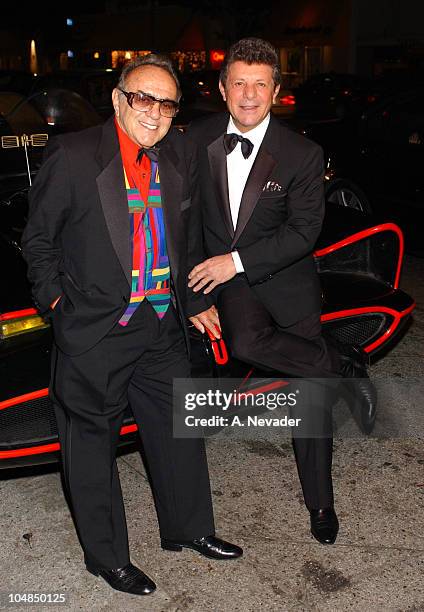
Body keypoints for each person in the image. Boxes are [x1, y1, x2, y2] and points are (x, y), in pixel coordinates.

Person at [22, 54, 242, 597]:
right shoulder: (73, 156)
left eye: (166, 103)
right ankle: (107, 557)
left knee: (176, 431)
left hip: (162, 323)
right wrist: (58, 307)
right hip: (94, 329)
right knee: (91, 447)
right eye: (144, 98)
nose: (155, 112)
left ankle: (191, 528)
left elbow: (184, 240)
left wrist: (192, 302)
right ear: (119, 99)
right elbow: (39, 243)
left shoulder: (174, 158)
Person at [187, 38, 376, 546]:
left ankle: (320, 502)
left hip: (282, 279)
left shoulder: (303, 153)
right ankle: (339, 361)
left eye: (260, 85)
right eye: (240, 84)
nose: (249, 95)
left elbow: (302, 232)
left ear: (275, 91)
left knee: (310, 400)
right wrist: (195, 294)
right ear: (223, 88)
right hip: (227, 283)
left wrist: (237, 261)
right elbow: (180, 223)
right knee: (248, 343)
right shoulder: (193, 139)